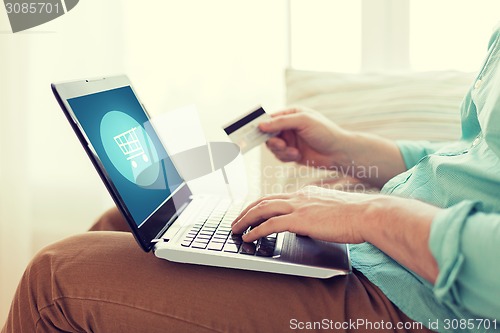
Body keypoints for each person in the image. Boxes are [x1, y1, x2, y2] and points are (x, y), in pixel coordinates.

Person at [3, 27, 500, 333]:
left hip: (429, 304)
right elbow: (474, 157)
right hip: (393, 259)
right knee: (128, 220)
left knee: (55, 280)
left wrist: (369, 214)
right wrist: (346, 147)